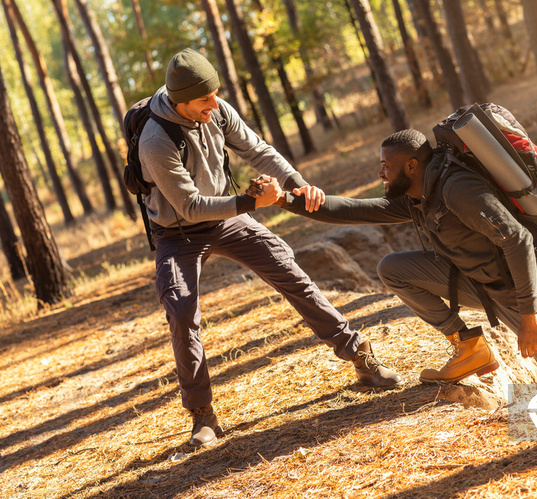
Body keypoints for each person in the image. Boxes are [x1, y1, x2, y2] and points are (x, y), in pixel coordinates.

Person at [138, 48, 402, 447]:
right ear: (180, 102)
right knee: (180, 308)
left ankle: (360, 357)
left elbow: (258, 150)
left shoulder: (215, 108)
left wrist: (297, 183)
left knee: (290, 272)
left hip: (226, 218)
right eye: (205, 100)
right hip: (178, 233)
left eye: (215, 95)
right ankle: (202, 415)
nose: (215, 105)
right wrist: (251, 203)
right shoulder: (156, 141)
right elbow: (189, 207)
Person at [262, 128, 537, 396]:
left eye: (386, 167)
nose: (380, 174)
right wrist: (283, 199)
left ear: (411, 166)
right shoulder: (416, 194)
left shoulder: (457, 189)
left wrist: (529, 317)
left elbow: (517, 240)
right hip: (476, 280)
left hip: (524, 286)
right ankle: (470, 347)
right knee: (393, 268)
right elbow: (355, 210)